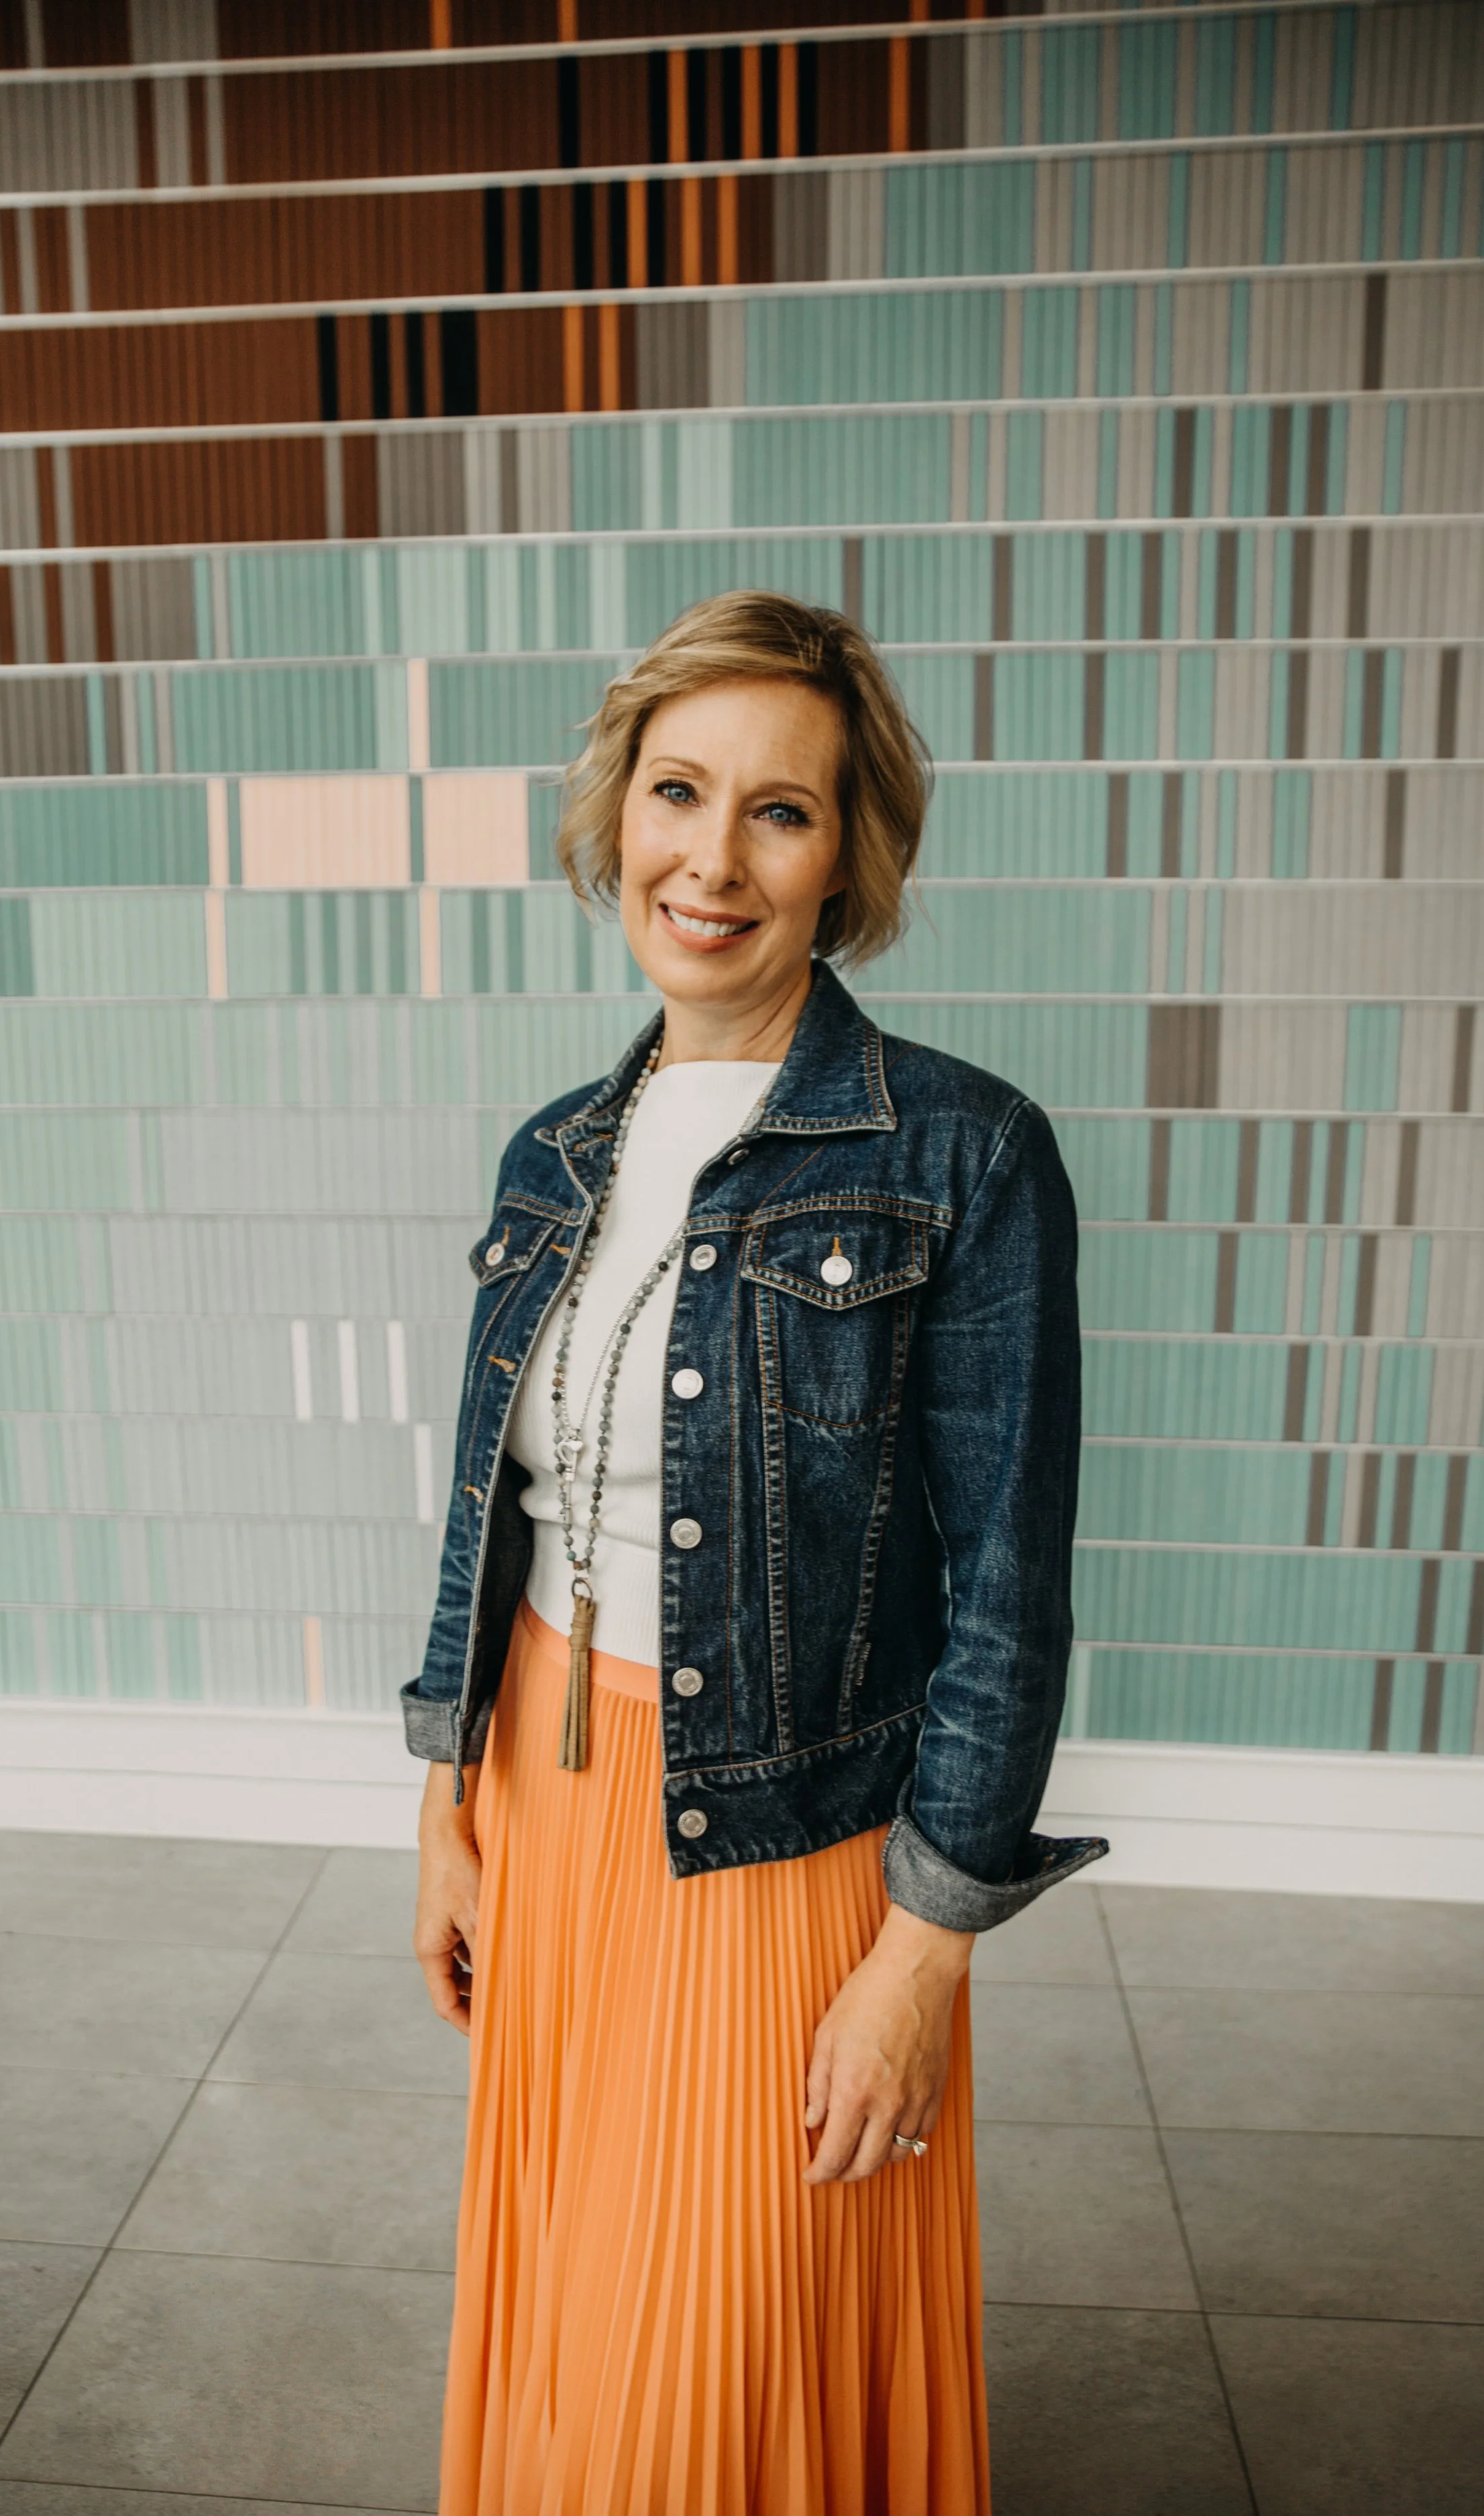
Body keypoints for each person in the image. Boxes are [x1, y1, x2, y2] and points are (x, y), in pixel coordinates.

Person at [405, 589, 1108, 2515]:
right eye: (677, 790)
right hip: (551, 1802)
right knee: (576, 2304)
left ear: (845, 854)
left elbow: (1002, 1595)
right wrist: (444, 1803)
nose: (710, 858)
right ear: (613, 813)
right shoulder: (551, 1150)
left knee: (707, 2370)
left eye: (777, 812)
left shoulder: (960, 1149)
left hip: (777, 1836)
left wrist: (924, 1950)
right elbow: (503, 1505)